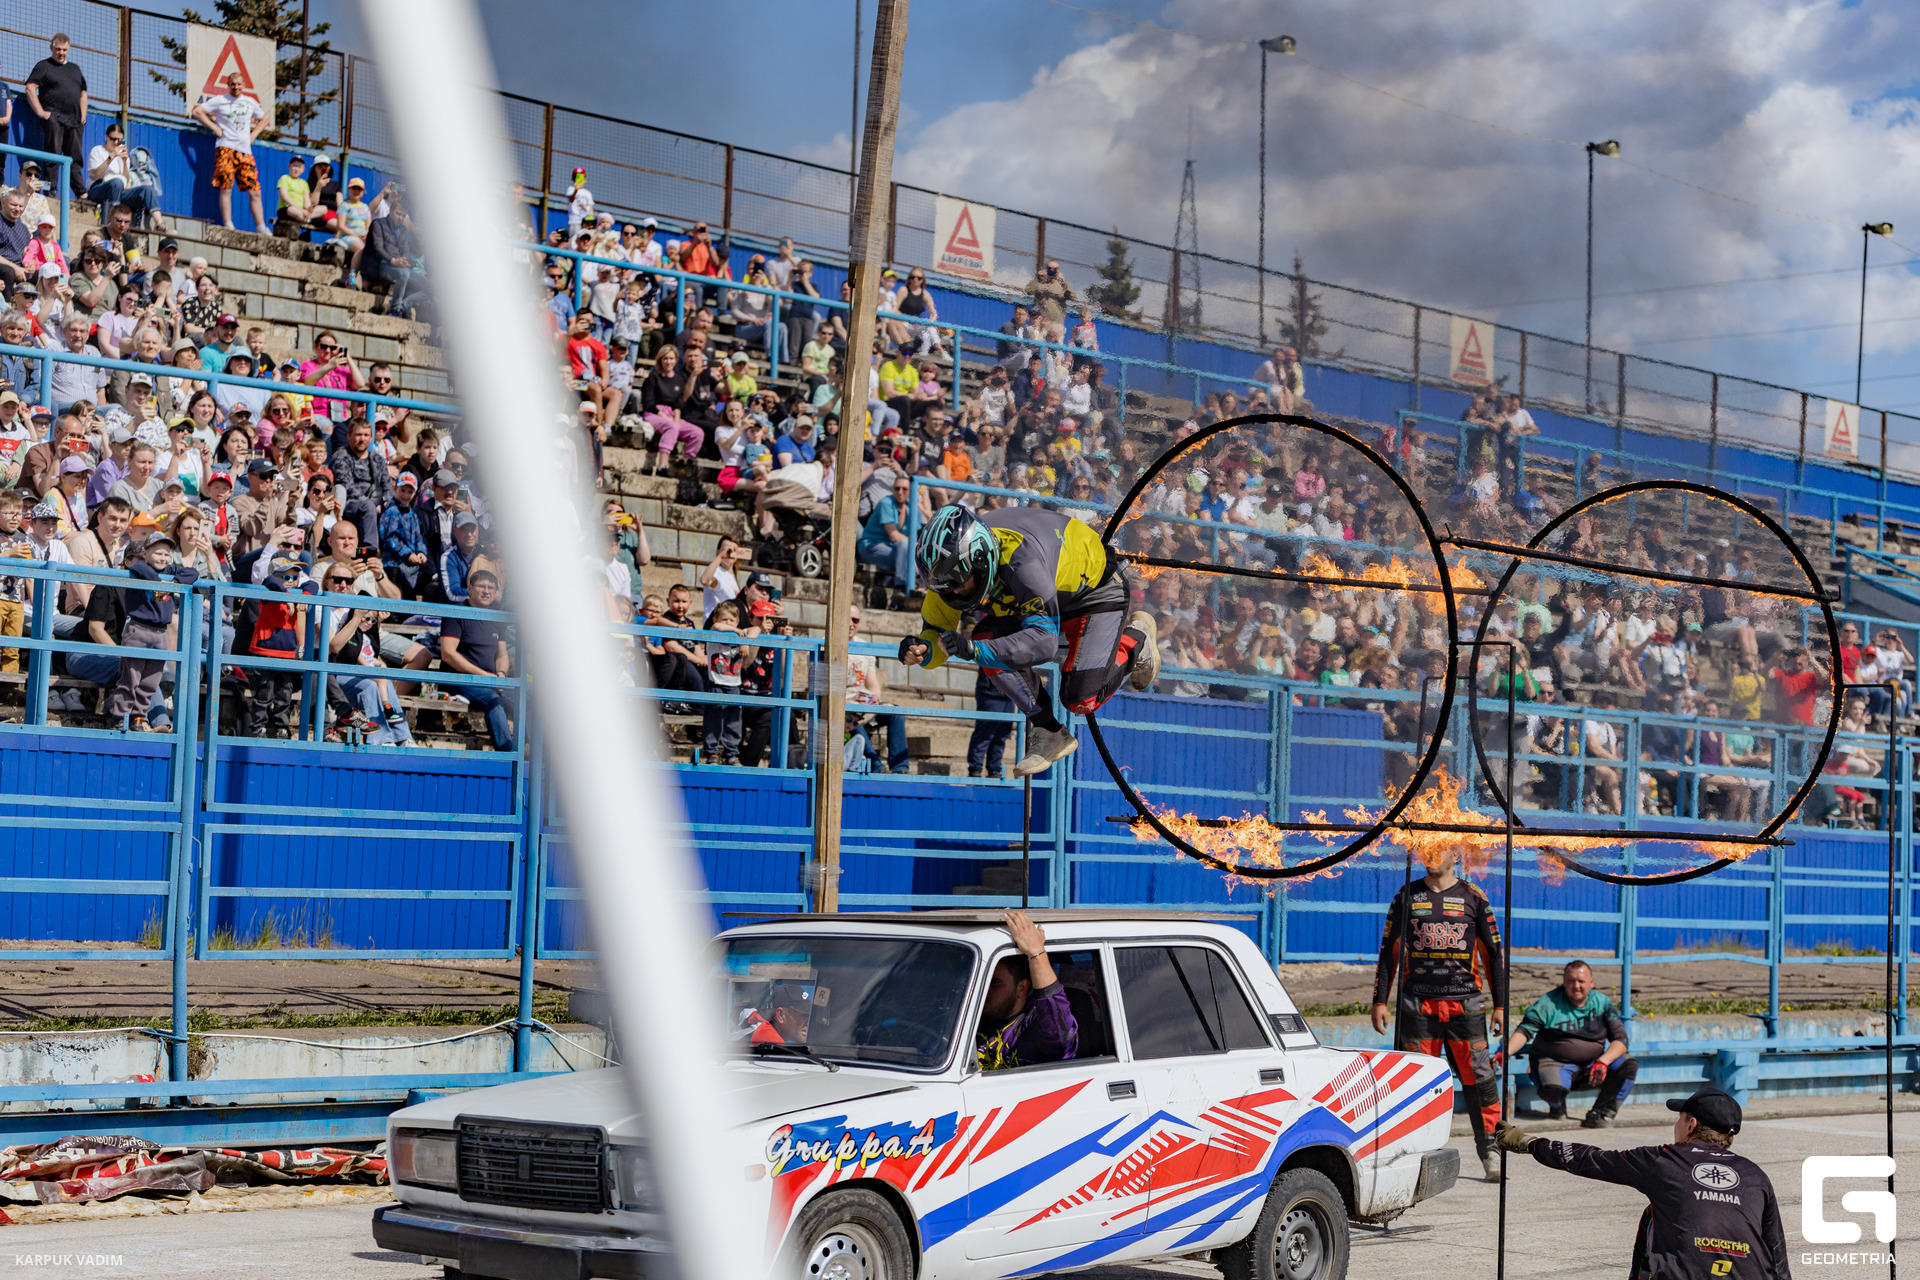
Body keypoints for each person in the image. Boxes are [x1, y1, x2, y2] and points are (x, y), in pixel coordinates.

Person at [900, 505, 1160, 777]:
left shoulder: (1021, 563)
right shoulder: (948, 573)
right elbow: (936, 636)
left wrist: (973, 650)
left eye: (958, 582)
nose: (952, 593)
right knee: (986, 638)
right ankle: (1049, 731)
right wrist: (923, 650)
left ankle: (1137, 638)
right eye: (942, 585)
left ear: (979, 560)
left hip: (1095, 593)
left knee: (1081, 699)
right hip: (1048, 594)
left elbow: (1045, 642)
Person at [1495, 1087, 1790, 1279]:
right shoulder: (1755, 1175)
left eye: (1680, 1118)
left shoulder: (1664, 1159)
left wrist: (1528, 1142)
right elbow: (1776, 1252)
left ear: (1691, 1125)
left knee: (1654, 1217)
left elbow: (1590, 1159)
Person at [1370, 843, 1508, 1180]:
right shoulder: (1406, 896)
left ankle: (1491, 1151)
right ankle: (1409, 1155)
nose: (1433, 855)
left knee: (1480, 1078)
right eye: (1427, 849)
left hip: (1466, 1005)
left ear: (1455, 856)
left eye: (1441, 849)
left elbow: (1495, 955)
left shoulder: (1474, 897)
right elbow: (1388, 951)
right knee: (1412, 1082)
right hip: (1417, 1004)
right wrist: (1379, 1000)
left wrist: (1501, 1006)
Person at [1502, 960, 1638, 1128]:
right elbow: (1524, 1031)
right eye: (1571, 981)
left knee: (1628, 1065)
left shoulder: (1602, 1003)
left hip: (1592, 1068)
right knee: (1553, 1090)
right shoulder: (1548, 1003)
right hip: (1554, 1064)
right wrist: (1505, 1052)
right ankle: (1557, 1106)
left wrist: (1603, 1062)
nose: (1576, 986)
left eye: (1581, 981)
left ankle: (1599, 1114)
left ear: (1591, 982)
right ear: (1564, 982)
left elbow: (1621, 1040)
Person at [976, 909, 1078, 1071]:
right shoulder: (972, 1018)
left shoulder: (1034, 1028)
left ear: (1021, 988)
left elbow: (1058, 1030)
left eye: (995, 982)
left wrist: (1036, 953)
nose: (985, 989)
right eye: (985, 980)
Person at [440, 569, 513, 751]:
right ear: (470, 589)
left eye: (491, 588)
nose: (486, 591)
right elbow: (448, 654)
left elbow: (502, 654)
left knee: (526, 700)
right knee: (493, 700)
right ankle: (507, 754)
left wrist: (501, 674)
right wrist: (485, 677)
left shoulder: (497, 617)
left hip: (490, 681)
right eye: (482, 586)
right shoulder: (457, 613)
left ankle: (534, 752)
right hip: (460, 680)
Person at [191, 71, 268, 232]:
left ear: (244, 85)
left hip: (245, 152)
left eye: (239, 84)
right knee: (226, 188)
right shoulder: (220, 100)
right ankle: (228, 224)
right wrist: (214, 128)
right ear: (228, 85)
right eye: (233, 84)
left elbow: (263, 119)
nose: (236, 87)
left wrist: (253, 135)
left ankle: (261, 227)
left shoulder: (250, 102)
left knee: (255, 191)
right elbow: (197, 112)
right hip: (225, 148)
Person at [25, 35, 87, 199]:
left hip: (74, 121)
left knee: (75, 158)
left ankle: (81, 193)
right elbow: (30, 88)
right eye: (58, 49)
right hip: (54, 118)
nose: (61, 53)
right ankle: (51, 190)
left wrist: (83, 117)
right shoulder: (43, 66)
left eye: (64, 50)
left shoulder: (75, 69)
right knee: (52, 155)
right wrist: (41, 112)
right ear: (51, 48)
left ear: (69, 49)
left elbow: (83, 94)